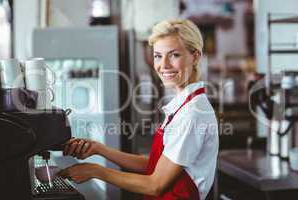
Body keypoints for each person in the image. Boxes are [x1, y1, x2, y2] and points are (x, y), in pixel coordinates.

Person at [59, 19, 218, 200]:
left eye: (174, 55)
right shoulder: (182, 106)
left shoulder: (192, 113)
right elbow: (155, 165)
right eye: (158, 55)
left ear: (195, 56)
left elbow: (155, 185)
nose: (163, 65)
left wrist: (96, 171)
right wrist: (99, 149)